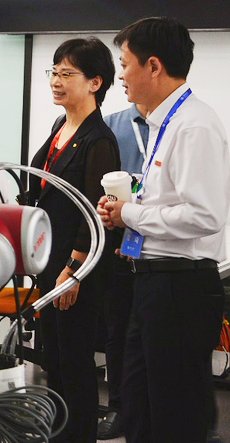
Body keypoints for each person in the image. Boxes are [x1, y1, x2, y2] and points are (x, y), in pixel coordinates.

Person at [98, 17, 229, 443]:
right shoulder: (164, 122)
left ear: (153, 66)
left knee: (174, 418)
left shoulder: (193, 125)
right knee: (140, 412)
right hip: (153, 284)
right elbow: (168, 202)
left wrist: (131, 216)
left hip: (180, 289)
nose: (121, 75)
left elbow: (204, 215)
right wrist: (126, 211)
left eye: (125, 64)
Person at [25, 38, 120, 443]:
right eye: (54, 72)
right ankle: (58, 433)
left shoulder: (99, 140)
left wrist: (74, 270)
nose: (55, 81)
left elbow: (94, 215)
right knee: (55, 360)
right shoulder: (60, 127)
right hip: (50, 261)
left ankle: (76, 435)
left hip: (74, 269)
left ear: (95, 82)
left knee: (75, 363)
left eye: (67, 74)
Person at [97, 103, 148, 440]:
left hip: (162, 244)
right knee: (118, 329)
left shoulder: (178, 127)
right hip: (122, 242)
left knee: (160, 334)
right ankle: (119, 407)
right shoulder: (111, 126)